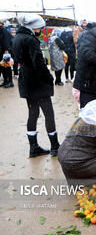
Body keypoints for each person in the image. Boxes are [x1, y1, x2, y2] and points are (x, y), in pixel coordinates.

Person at [12, 14, 60, 157]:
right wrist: (49, 77)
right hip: (37, 82)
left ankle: (33, 148)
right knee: (48, 114)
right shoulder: (31, 40)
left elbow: (19, 59)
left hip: (26, 80)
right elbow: (38, 63)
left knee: (33, 114)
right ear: (33, 26)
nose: (40, 29)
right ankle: (55, 146)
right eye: (39, 26)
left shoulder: (17, 38)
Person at [0, 21, 13, 87]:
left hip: (5, 52)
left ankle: (10, 82)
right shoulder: (1, 30)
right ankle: (5, 81)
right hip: (1, 52)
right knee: (2, 67)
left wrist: (6, 52)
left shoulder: (3, 30)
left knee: (7, 66)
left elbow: (6, 42)